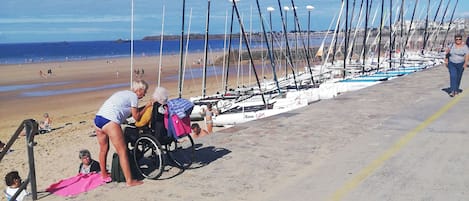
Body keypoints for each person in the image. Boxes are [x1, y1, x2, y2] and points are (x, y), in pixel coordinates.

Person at [94, 80, 151, 187]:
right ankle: (130, 181)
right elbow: (137, 117)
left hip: (98, 119)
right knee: (122, 151)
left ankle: (104, 175)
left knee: (103, 149)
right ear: (139, 90)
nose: (145, 94)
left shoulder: (123, 94)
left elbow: (130, 112)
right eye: (145, 91)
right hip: (110, 121)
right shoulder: (133, 97)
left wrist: (143, 108)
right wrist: (147, 106)